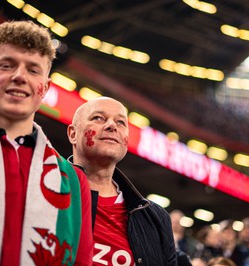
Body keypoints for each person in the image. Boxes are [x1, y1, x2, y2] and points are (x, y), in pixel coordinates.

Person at [0, 20, 92, 265]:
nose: (19, 76)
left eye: (33, 70)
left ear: (45, 88)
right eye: (6, 65)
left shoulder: (74, 181)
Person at [67, 96, 178, 265]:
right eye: (98, 118)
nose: (112, 125)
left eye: (120, 122)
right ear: (73, 134)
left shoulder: (157, 218)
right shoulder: (43, 190)